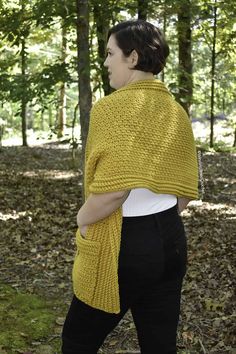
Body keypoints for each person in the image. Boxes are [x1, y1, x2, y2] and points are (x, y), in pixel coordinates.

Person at [62, 19, 198, 354]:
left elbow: (112, 191)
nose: (106, 62)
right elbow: (183, 191)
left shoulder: (111, 108)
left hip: (125, 243)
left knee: (78, 339)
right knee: (159, 343)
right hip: (171, 240)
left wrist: (81, 219)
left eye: (111, 54)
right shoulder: (175, 111)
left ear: (133, 58)